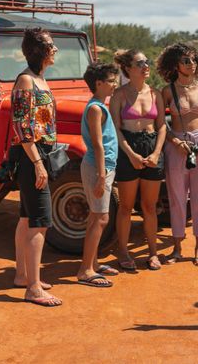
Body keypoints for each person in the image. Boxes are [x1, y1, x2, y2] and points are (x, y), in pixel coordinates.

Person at [11, 27, 62, 307]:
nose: (54, 50)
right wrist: (39, 164)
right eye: (50, 46)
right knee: (40, 224)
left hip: (38, 153)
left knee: (26, 218)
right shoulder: (26, 82)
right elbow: (22, 127)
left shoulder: (39, 79)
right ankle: (33, 288)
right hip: (32, 155)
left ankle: (23, 275)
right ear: (38, 51)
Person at [157, 43, 198, 267]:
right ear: (175, 65)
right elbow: (161, 124)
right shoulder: (167, 91)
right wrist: (174, 141)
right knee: (177, 199)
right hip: (177, 146)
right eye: (185, 60)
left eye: (193, 60)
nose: (191, 64)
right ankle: (177, 248)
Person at [109, 49, 167, 272]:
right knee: (125, 207)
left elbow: (162, 125)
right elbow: (115, 128)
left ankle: (153, 253)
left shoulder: (155, 94)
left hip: (152, 147)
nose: (146, 66)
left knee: (149, 206)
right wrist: (131, 155)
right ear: (128, 69)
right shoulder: (119, 95)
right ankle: (123, 252)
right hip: (128, 149)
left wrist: (156, 153)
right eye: (140, 63)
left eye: (147, 62)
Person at [76, 62, 121, 287]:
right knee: (101, 218)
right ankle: (85, 271)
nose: (115, 85)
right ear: (98, 83)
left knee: (96, 216)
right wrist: (102, 175)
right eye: (111, 81)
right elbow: (98, 145)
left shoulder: (100, 105)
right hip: (97, 167)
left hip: (101, 167)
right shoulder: (95, 108)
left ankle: (92, 263)